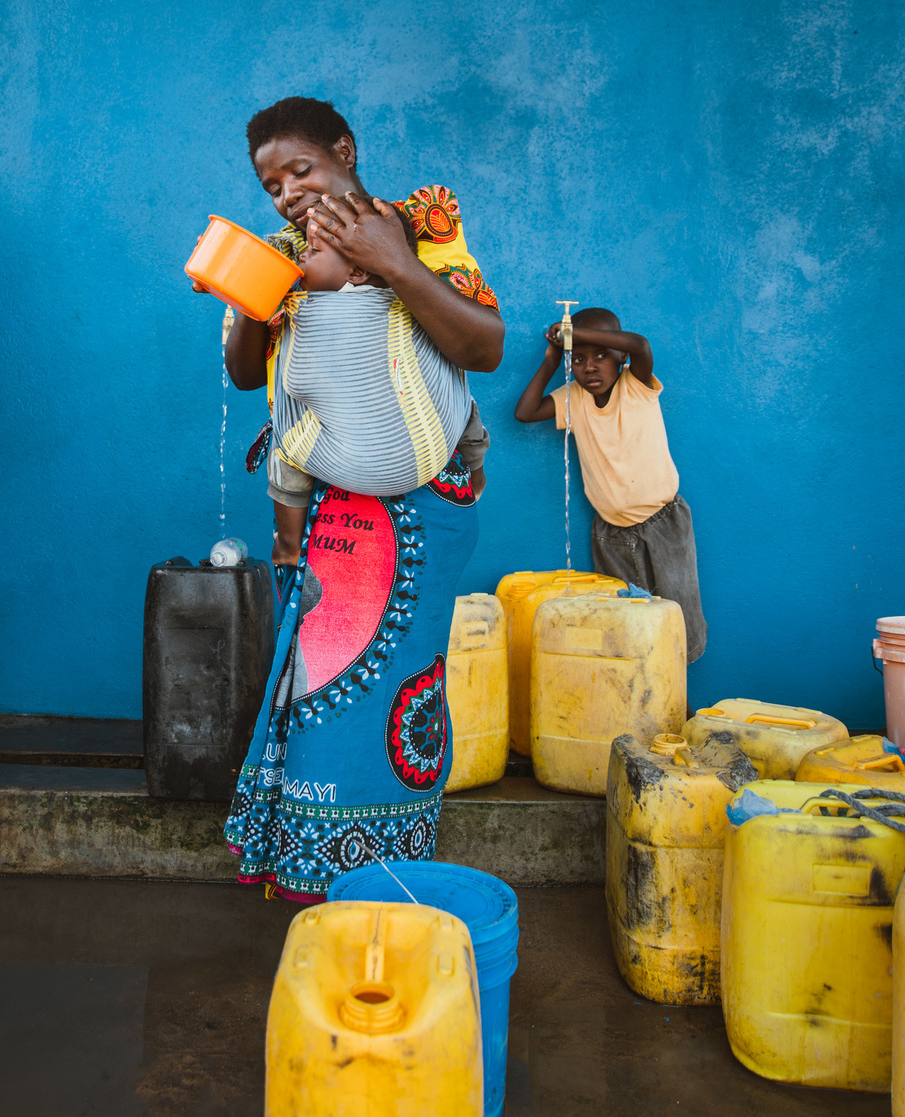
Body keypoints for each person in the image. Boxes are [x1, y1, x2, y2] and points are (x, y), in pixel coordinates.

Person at [220, 96, 503, 902]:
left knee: (394, 694)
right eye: (272, 185)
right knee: (318, 693)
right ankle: (317, 880)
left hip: (418, 511)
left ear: (343, 149)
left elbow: (484, 345)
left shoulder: (420, 227)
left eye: (300, 169)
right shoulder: (281, 255)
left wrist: (397, 263)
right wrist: (252, 306)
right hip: (327, 513)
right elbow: (245, 373)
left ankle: (391, 884)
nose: (287, 195)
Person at [267, 222, 489, 568]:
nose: (301, 259)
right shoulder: (413, 300)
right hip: (430, 454)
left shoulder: (307, 312)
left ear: (355, 271)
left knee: (285, 429)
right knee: (449, 381)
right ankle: (475, 470)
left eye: (312, 251)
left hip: (352, 467)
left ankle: (289, 544)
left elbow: (298, 382)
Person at [514, 307, 707, 661]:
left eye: (601, 356)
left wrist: (574, 335)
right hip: (612, 534)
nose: (589, 366)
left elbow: (640, 345)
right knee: (626, 625)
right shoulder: (572, 397)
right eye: (580, 359)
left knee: (677, 619)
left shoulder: (637, 385)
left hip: (664, 524)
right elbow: (525, 412)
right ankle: (639, 699)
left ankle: (680, 699)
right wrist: (554, 358)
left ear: (620, 358)